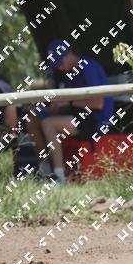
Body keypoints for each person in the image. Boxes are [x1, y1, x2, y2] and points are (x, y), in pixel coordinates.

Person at [26, 40, 113, 182]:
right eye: (56, 65)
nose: (59, 67)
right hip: (77, 115)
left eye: (61, 62)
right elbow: (66, 104)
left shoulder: (88, 67)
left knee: (48, 124)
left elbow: (98, 103)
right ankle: (44, 172)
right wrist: (52, 107)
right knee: (32, 118)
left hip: (96, 120)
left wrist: (69, 102)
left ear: (70, 54)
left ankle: (59, 177)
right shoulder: (66, 73)